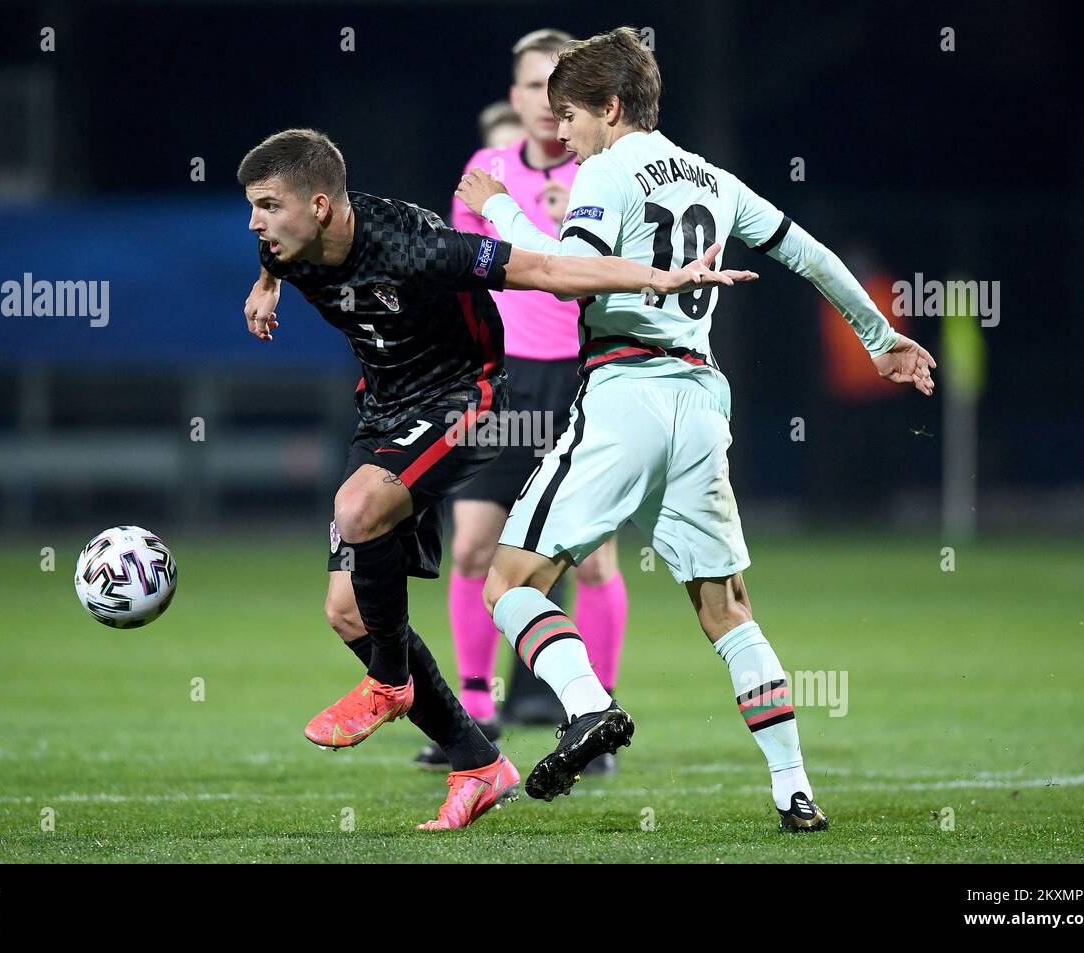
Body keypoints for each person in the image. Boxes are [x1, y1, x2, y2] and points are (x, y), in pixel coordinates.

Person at [456, 28, 936, 831]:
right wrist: (880, 337)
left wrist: (494, 204)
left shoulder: (607, 173)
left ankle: (587, 705)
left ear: (609, 108)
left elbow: (561, 272)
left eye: (569, 115)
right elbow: (811, 254)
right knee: (727, 607)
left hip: (624, 393)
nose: (562, 133)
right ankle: (793, 789)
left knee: (507, 581)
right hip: (702, 402)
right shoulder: (712, 177)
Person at [240, 126, 755, 829]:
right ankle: (478, 760)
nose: (255, 222)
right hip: (386, 410)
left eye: (267, 206)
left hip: (467, 397)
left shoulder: (414, 246)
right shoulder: (284, 242)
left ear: (322, 206)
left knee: (357, 507)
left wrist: (658, 278)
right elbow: (270, 254)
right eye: (254, 208)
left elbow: (544, 271)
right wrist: (266, 287)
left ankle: (389, 682)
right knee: (347, 610)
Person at [423, 28, 631, 771]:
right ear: (514, 100)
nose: (548, 105)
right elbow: (461, 269)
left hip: (582, 377)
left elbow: (623, 268)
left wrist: (560, 216)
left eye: (560, 89)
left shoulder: (606, 172)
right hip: (500, 378)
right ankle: (474, 717)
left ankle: (595, 716)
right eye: (534, 88)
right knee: (475, 546)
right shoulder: (486, 170)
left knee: (595, 559)